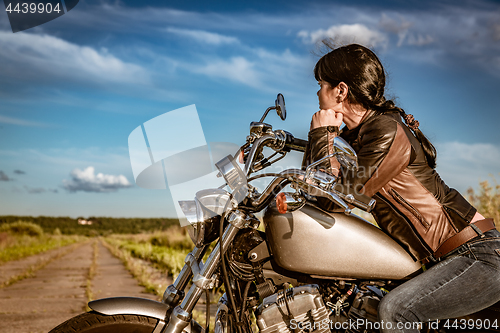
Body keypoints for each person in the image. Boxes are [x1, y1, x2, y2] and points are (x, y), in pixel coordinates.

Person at [304, 42, 500, 332]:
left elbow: (338, 197)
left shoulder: (385, 130)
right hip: (446, 261)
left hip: (476, 256)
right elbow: (317, 194)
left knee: (396, 311)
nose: (318, 92)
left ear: (341, 91)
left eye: (322, 84)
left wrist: (322, 133)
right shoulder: (356, 139)